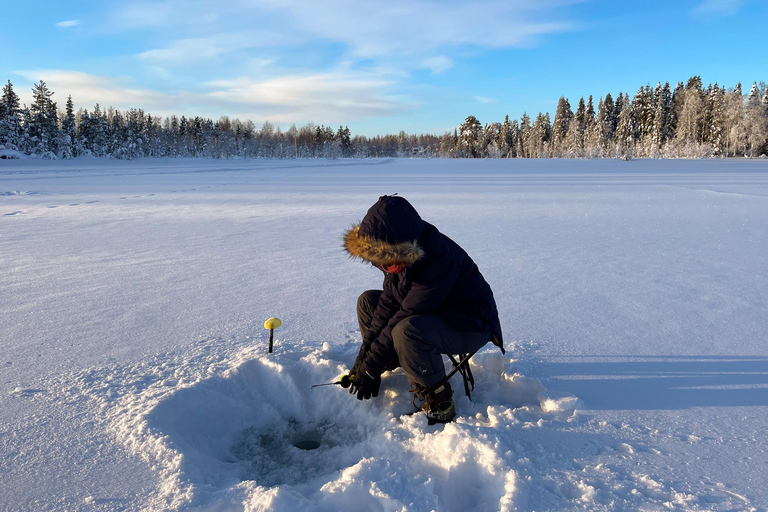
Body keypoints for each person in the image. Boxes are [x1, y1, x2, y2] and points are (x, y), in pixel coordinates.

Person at [342, 195, 504, 423]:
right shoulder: (401, 258)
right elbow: (389, 305)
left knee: (406, 330)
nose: (389, 268)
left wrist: (371, 366)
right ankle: (396, 358)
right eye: (382, 263)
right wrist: (364, 361)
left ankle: (440, 403)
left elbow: (405, 314)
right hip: (438, 313)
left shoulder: (438, 259)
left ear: (405, 246)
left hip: (471, 323)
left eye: (392, 260)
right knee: (369, 301)